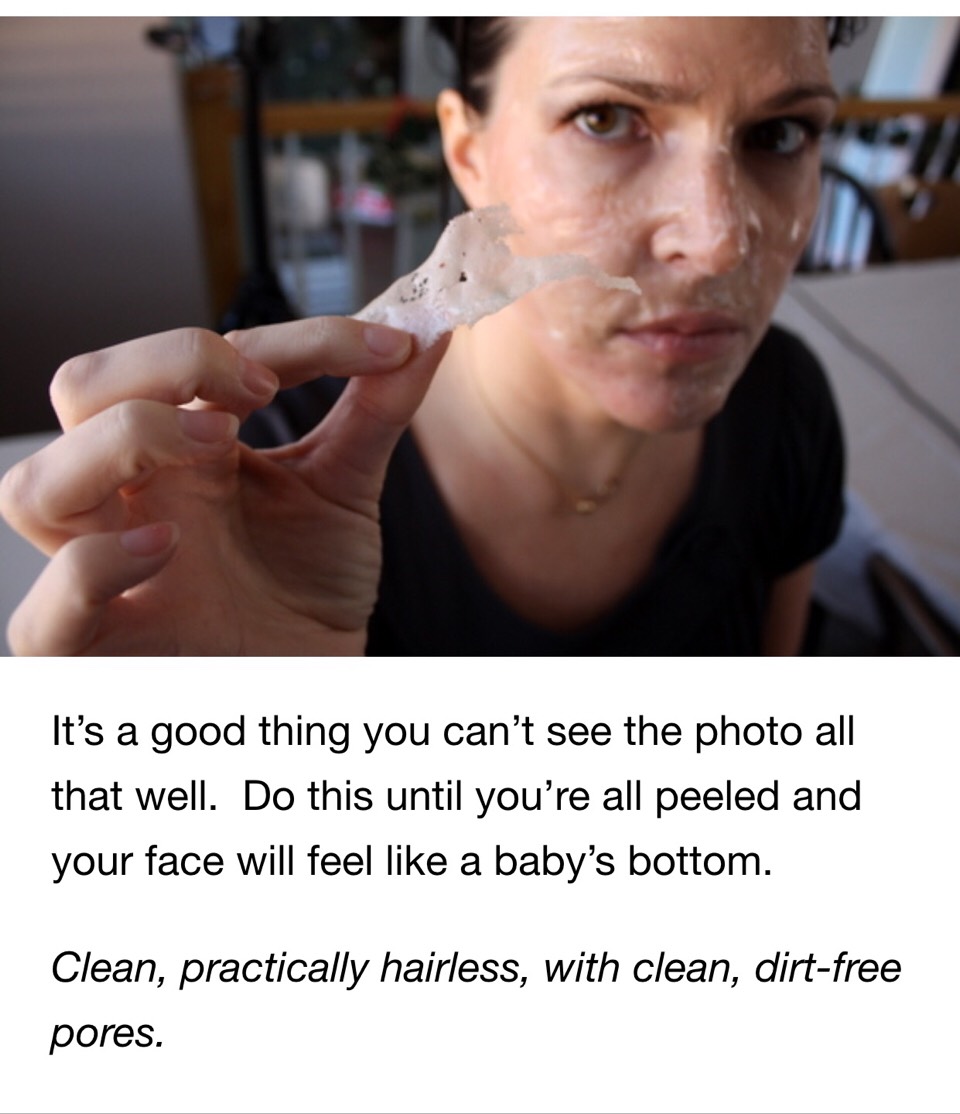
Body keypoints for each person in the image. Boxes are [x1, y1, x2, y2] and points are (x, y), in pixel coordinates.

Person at [0, 17, 851, 656]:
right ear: (468, 150)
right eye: (605, 118)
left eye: (781, 133)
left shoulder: (788, 405)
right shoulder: (250, 483)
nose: (720, 243)